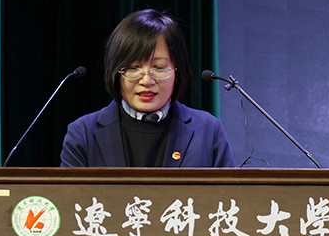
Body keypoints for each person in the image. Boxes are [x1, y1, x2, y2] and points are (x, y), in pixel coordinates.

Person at [60, 9, 235, 168]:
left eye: (159, 67)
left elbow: (227, 193)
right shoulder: (83, 133)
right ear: (116, 73)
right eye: (133, 67)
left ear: (177, 72)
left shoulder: (207, 130)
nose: (146, 80)